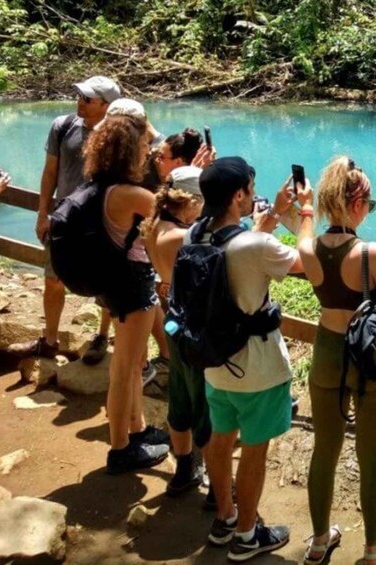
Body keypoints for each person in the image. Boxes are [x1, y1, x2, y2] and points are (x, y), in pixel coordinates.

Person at [298, 156, 376, 565]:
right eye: (370, 203)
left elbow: (340, 271)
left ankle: (317, 542)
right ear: (356, 203)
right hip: (366, 359)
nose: (370, 209)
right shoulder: (368, 252)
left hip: (327, 352)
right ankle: (370, 549)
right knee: (371, 454)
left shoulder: (311, 247)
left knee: (324, 451)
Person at [198, 156, 308, 561]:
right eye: (250, 187)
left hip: (215, 363)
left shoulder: (197, 234)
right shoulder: (255, 245)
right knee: (255, 451)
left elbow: (241, 244)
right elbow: (308, 263)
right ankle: (247, 535)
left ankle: (226, 518)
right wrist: (306, 214)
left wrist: (275, 212)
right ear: (239, 194)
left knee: (220, 440)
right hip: (256, 369)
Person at [83, 107, 171, 474]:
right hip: (131, 286)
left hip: (114, 284)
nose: (146, 153)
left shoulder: (98, 186)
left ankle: (135, 432)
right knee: (124, 370)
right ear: (127, 152)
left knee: (132, 365)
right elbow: (174, 218)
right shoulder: (133, 195)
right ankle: (120, 448)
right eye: (140, 146)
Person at [9, 76, 120, 361]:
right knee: (52, 278)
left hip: (102, 221)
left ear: (107, 105)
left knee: (107, 282)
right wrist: (43, 214)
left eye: (88, 99)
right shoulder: (63, 126)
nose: (79, 102)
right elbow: (50, 173)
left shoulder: (118, 137)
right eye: (80, 97)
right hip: (63, 218)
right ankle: (50, 340)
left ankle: (102, 336)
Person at [143, 165, 211, 497]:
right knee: (203, 404)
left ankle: (185, 469)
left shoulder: (156, 225)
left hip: (173, 319)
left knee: (180, 397)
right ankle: (216, 483)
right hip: (192, 323)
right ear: (191, 201)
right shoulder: (180, 236)